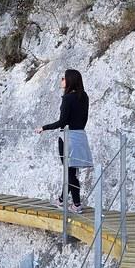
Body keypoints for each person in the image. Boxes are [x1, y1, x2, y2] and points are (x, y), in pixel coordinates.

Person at [35, 69, 93, 213]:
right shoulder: (84, 96)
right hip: (80, 136)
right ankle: (62, 199)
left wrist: (44, 127)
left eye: (63, 78)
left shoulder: (67, 99)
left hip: (68, 138)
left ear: (70, 80)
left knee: (70, 172)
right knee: (71, 171)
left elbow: (62, 122)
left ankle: (77, 204)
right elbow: (83, 119)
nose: (61, 80)